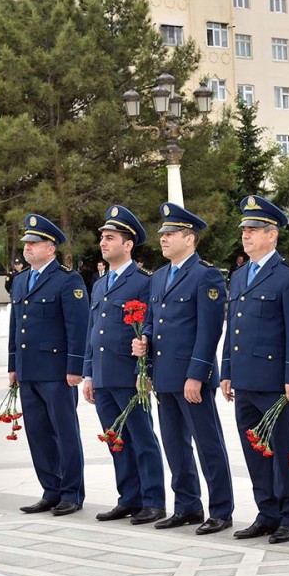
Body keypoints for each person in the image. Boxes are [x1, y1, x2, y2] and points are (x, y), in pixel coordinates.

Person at [133, 203, 234, 535]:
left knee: (208, 445)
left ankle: (221, 509)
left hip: (192, 377)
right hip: (164, 376)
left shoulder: (205, 275)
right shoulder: (160, 276)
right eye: (162, 234)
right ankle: (188, 505)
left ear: (189, 239)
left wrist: (197, 374)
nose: (163, 239)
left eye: (170, 234)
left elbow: (209, 331)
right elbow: (152, 321)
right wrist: (144, 342)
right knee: (174, 445)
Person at [221, 196, 289, 544]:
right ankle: (266, 511)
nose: (247, 235)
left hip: (275, 382)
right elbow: (235, 330)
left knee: (284, 450)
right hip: (244, 379)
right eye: (245, 229)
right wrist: (227, 369)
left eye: (254, 230)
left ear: (272, 235)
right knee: (255, 450)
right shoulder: (241, 275)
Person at [82, 206, 166, 525]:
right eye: (102, 237)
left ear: (128, 244)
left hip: (130, 376)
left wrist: (143, 372)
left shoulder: (144, 281)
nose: (103, 242)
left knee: (142, 438)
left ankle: (153, 500)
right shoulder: (100, 284)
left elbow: (149, 327)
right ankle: (129, 498)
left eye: (110, 237)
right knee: (116, 439)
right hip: (103, 375)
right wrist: (89, 373)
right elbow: (93, 331)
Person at [8, 214, 89, 516]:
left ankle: (71, 492)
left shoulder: (68, 280)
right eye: (26, 242)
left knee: (64, 432)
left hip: (57, 372)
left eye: (34, 242)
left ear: (50, 248)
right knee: (38, 433)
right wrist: (13, 365)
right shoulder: (19, 282)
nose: (27, 248)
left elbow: (78, 327)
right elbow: (15, 328)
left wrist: (75, 367)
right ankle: (50, 489)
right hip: (29, 371)